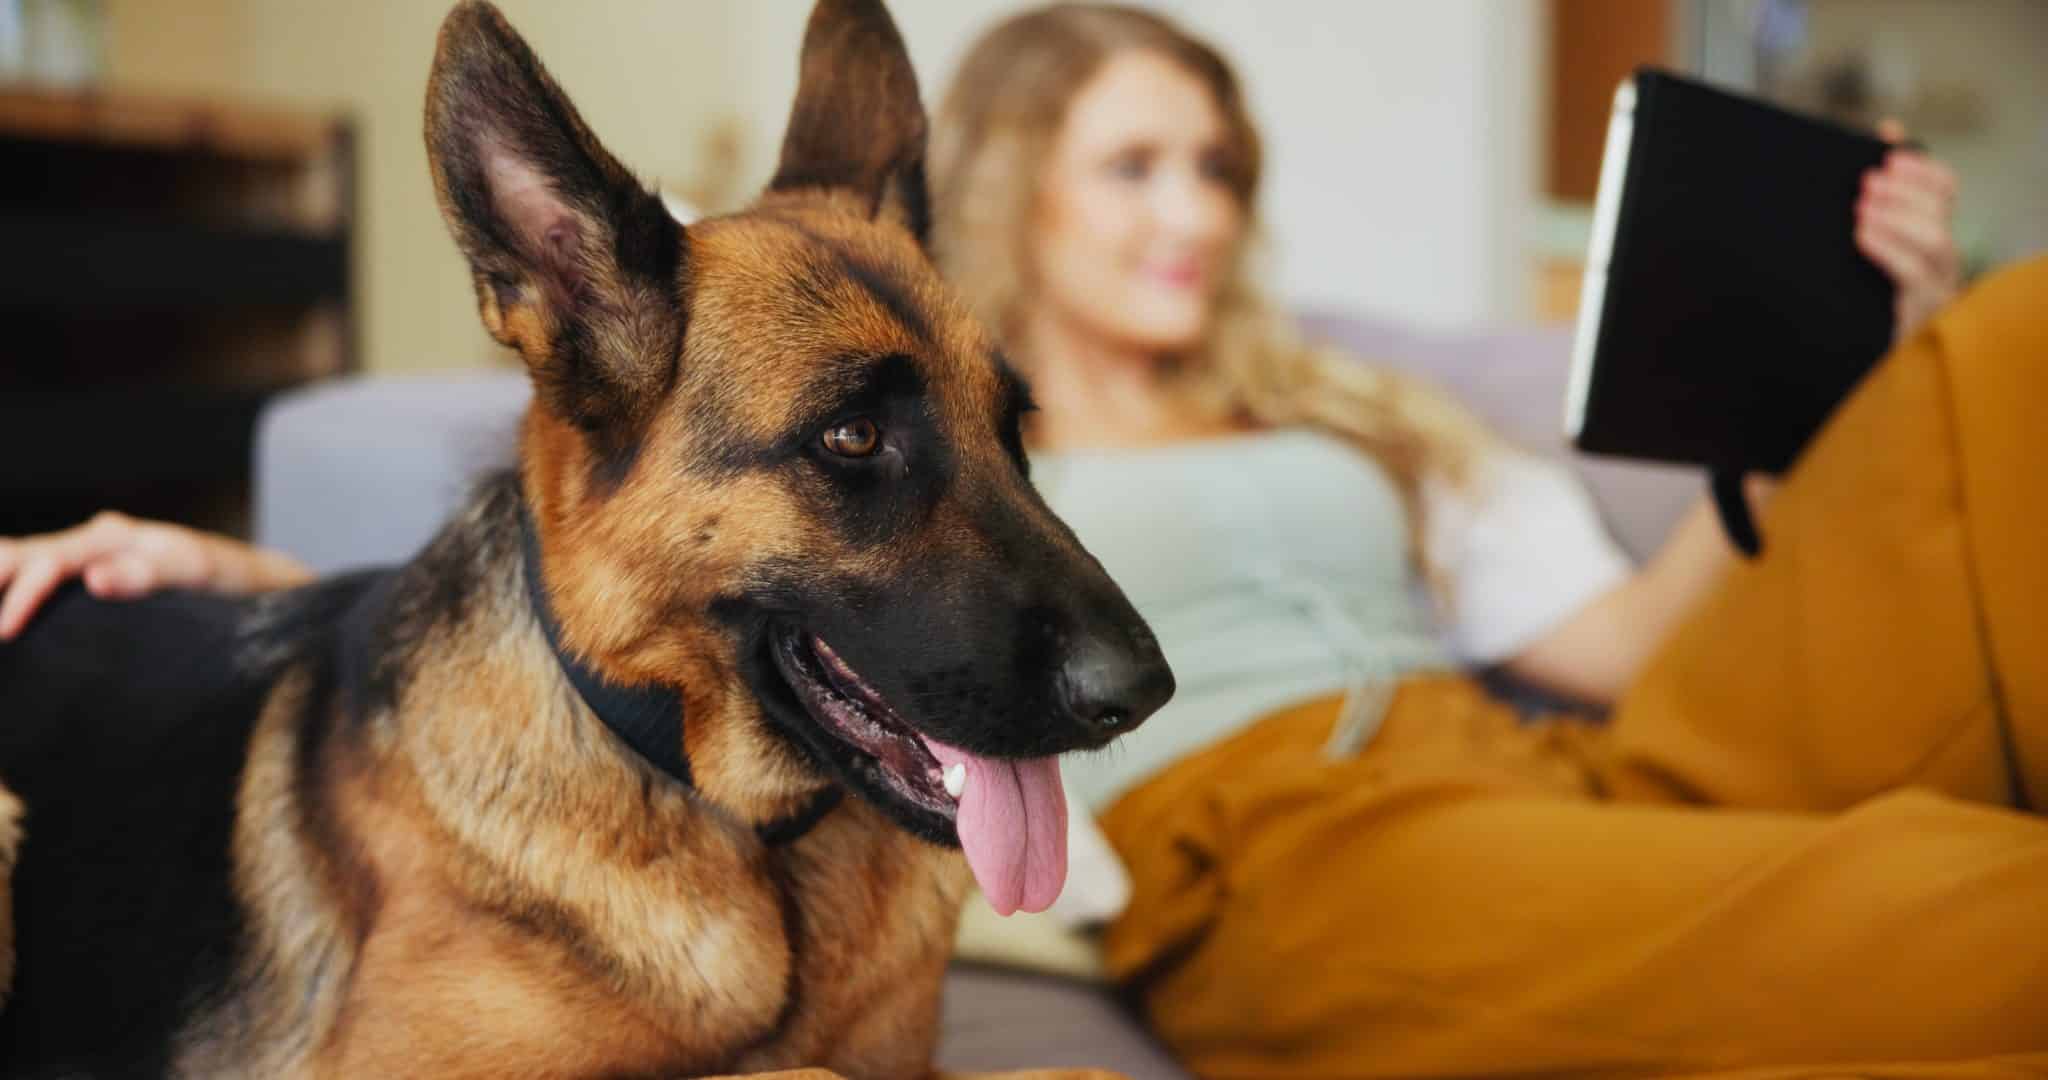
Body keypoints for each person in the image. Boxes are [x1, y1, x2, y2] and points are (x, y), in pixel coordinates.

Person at [4, 6, 2042, 1075]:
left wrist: (1838, 375)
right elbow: (580, 588)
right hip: (1296, 827)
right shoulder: (828, 365)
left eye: (1219, 164)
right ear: (1001, 188)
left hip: (1568, 760)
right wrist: (229, 581)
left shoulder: (1354, 402)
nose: (1195, 208)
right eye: (1134, 161)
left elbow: (1621, 655)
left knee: (2008, 339)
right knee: (1939, 916)